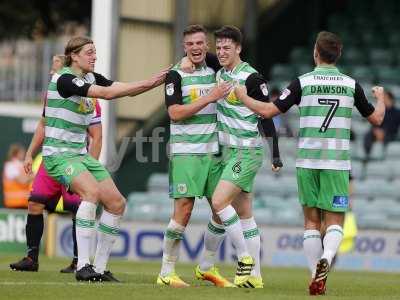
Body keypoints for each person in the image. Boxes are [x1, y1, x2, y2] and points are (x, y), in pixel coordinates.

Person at [234, 31, 385, 295]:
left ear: (316, 52)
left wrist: (242, 95)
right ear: (338, 55)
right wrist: (381, 97)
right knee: (335, 221)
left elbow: (268, 111)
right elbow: (377, 120)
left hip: (308, 162)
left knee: (311, 223)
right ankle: (328, 256)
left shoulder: (302, 82)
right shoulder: (351, 85)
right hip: (337, 163)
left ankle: (315, 272)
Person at [41, 36, 169, 282]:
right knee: (91, 193)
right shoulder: (65, 80)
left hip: (79, 154)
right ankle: (82, 266)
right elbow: (107, 94)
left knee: (117, 203)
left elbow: (120, 90)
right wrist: (151, 81)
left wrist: (152, 83)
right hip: (58, 154)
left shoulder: (90, 77)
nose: (94, 56)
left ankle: (99, 269)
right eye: (89, 52)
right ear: (74, 56)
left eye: (95, 52)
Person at [10, 54, 103, 274]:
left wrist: (89, 166)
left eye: (55, 68)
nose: (52, 73)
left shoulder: (88, 98)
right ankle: (31, 258)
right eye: (51, 68)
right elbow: (43, 125)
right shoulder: (50, 95)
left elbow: (97, 136)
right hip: (50, 158)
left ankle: (77, 261)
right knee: (35, 203)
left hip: (73, 161)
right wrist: (29, 154)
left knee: (77, 208)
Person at [156, 25, 234, 288]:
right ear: (184, 47)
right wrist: (210, 96)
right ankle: (166, 271)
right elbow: (175, 113)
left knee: (221, 210)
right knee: (184, 211)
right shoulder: (175, 76)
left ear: (206, 45)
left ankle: (206, 267)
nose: (196, 48)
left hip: (213, 153)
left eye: (200, 43)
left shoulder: (215, 68)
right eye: (190, 44)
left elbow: (231, 59)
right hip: (186, 153)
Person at [204, 25, 281, 288]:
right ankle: (256, 278)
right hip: (226, 152)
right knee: (245, 213)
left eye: (227, 48)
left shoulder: (253, 79)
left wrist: (276, 155)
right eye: (219, 48)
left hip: (246, 152)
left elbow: (266, 116)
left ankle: (244, 259)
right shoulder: (220, 73)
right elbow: (199, 54)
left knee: (218, 201)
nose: (222, 52)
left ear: (239, 48)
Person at [363, 90, 400, 161]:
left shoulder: (397, 112)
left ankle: (383, 158)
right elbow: (375, 123)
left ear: (391, 99)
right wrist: (376, 131)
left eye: (385, 98)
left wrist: (383, 132)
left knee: (387, 137)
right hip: (378, 132)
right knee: (368, 135)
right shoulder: (381, 111)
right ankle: (368, 157)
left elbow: (394, 126)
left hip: (390, 134)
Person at [2, 144, 34, 208]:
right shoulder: (10, 166)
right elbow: (23, 181)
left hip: (25, 203)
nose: (24, 154)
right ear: (16, 153)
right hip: (13, 204)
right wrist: (34, 176)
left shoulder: (22, 165)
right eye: (22, 152)